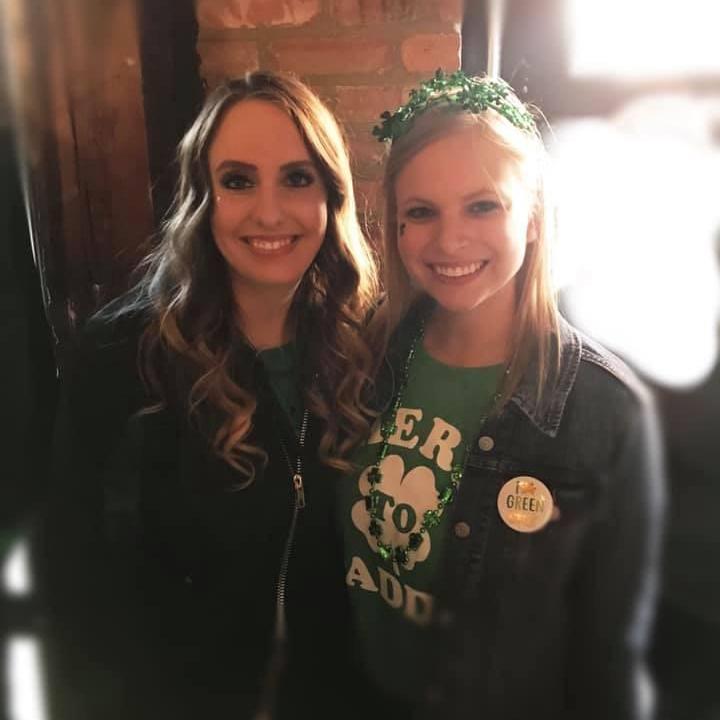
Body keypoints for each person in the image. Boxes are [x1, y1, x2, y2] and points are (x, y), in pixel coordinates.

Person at [37, 70, 379, 720]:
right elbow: (75, 586)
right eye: (238, 180)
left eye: (298, 178)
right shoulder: (121, 355)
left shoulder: (363, 344)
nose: (270, 212)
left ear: (332, 195)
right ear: (201, 197)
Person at [338, 70, 665, 720]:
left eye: (482, 206)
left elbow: (607, 659)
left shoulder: (606, 411)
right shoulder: (365, 354)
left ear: (534, 217)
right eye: (421, 212)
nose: (449, 240)